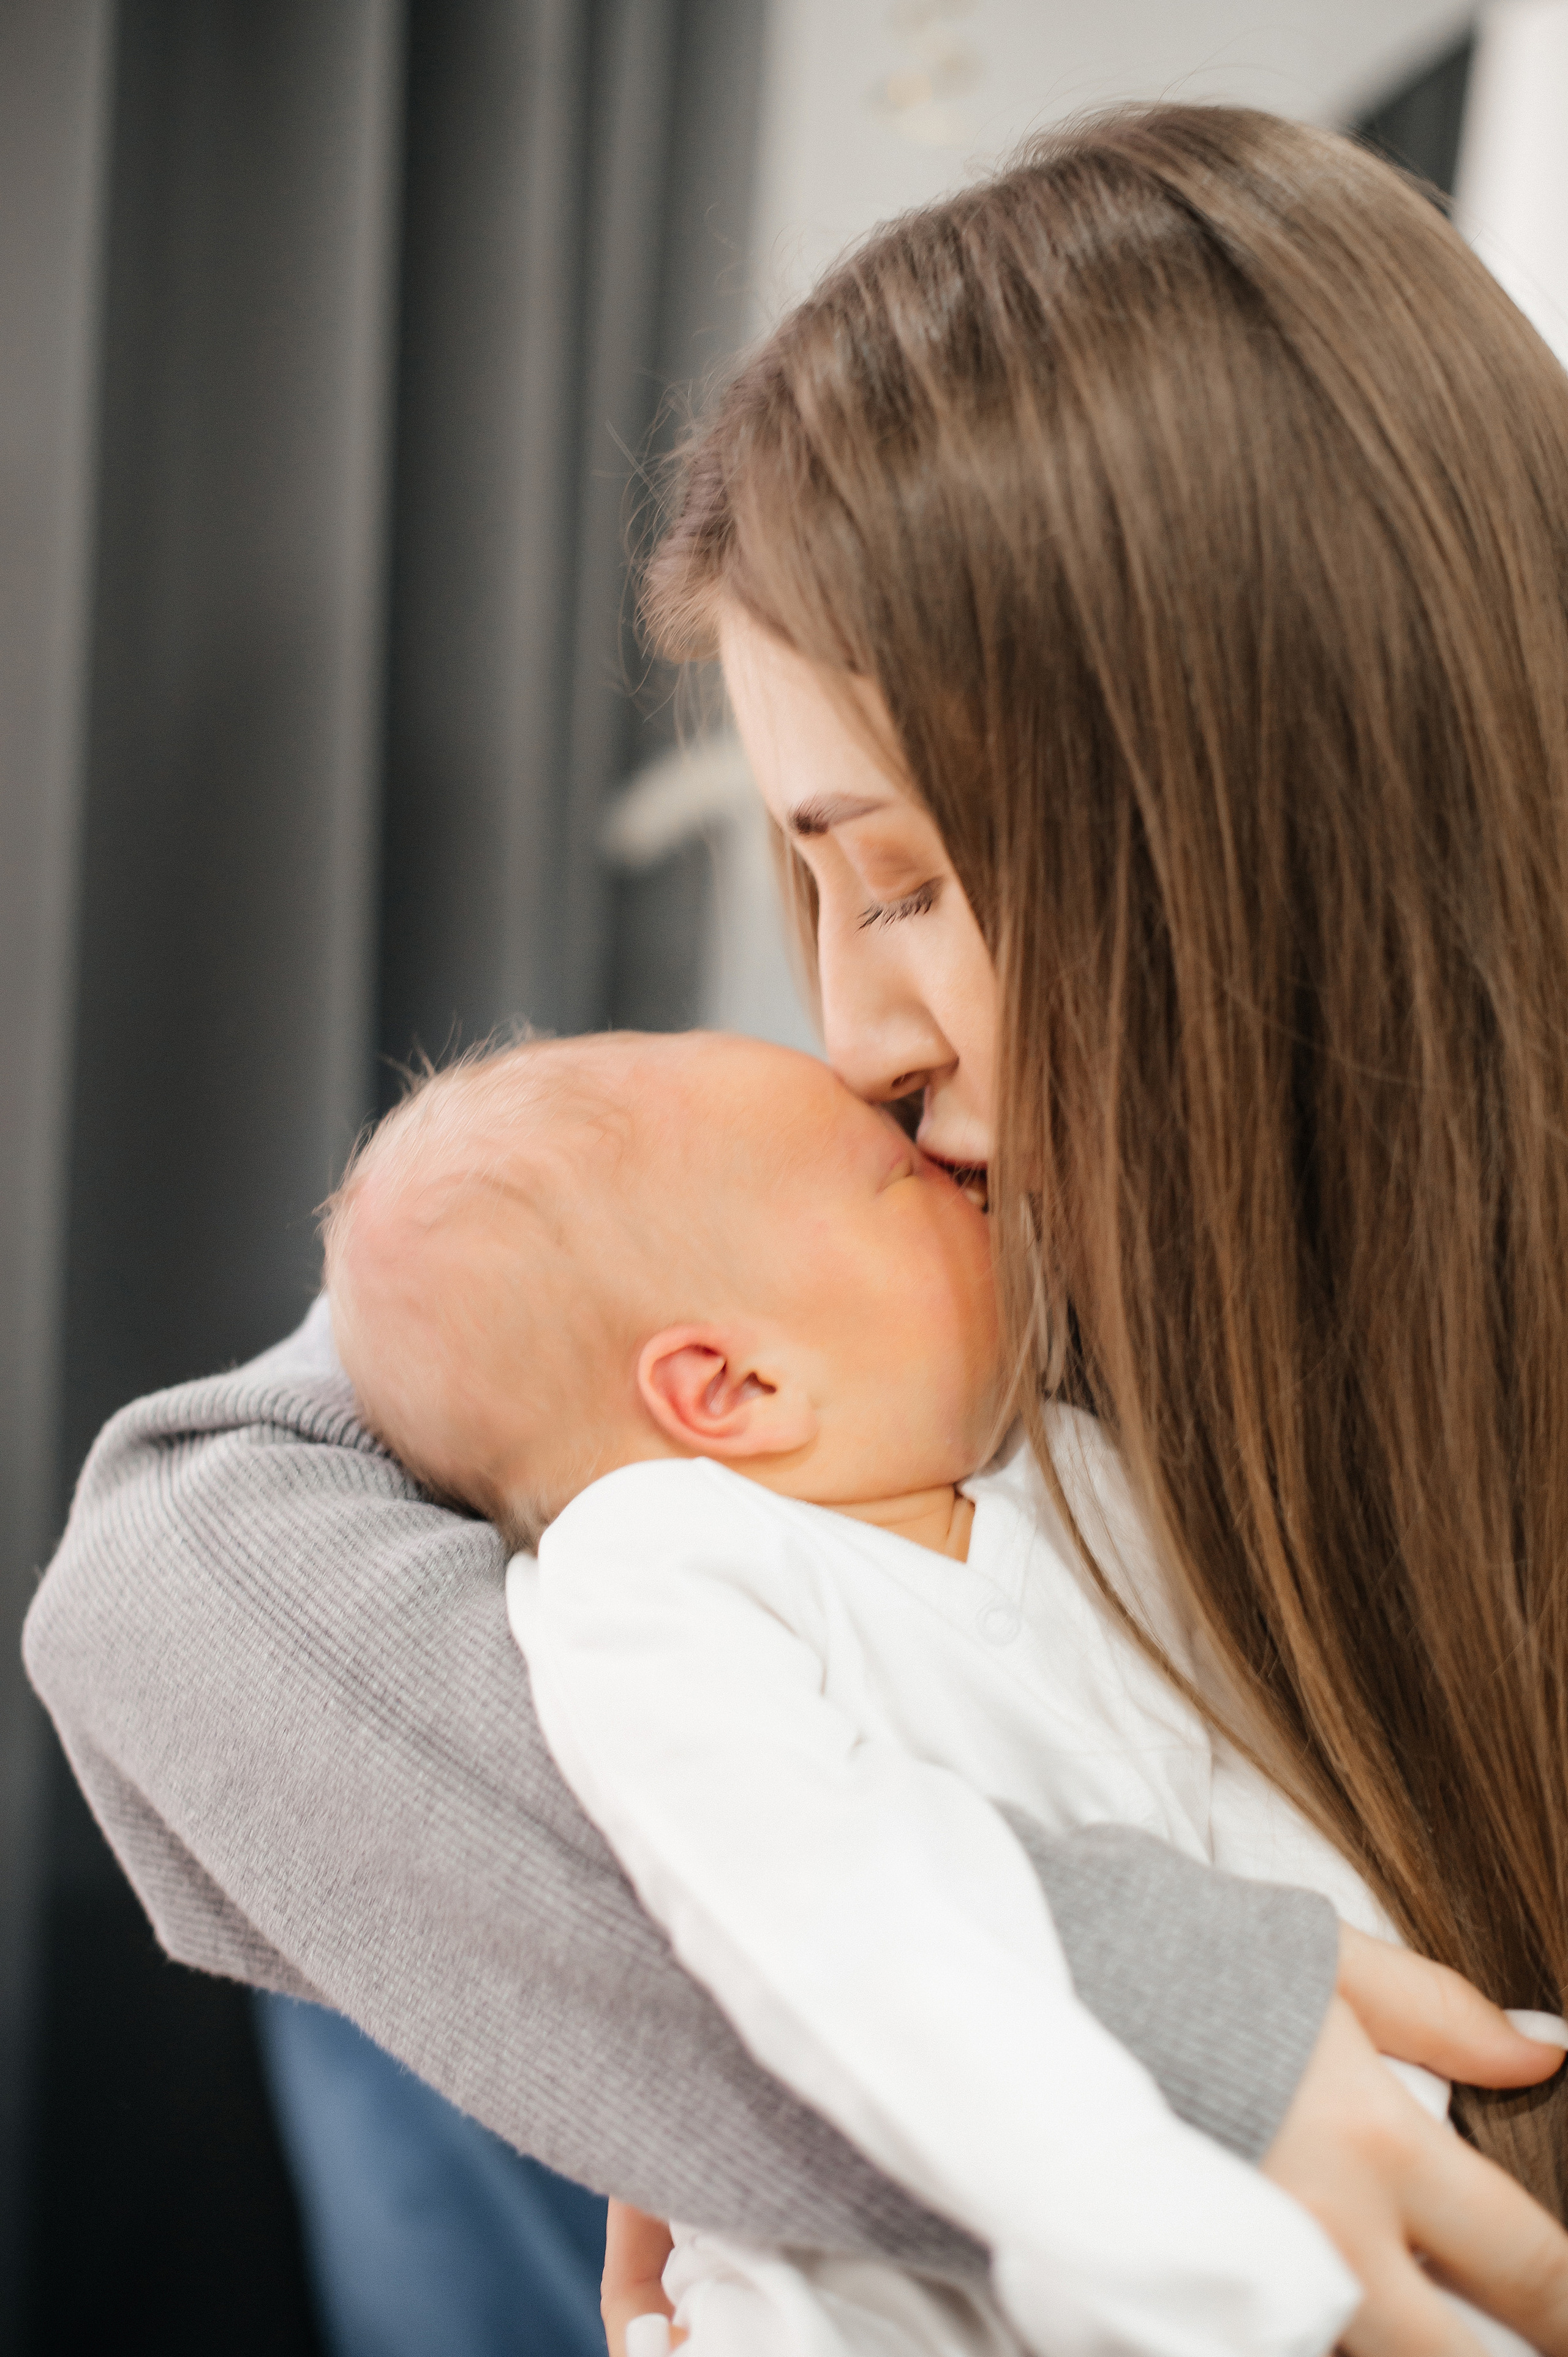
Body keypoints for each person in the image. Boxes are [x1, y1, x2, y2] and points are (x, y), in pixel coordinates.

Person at [21, 98, 1568, 2356]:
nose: (853, 1024)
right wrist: (1105, 2020)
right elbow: (169, 1568)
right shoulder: (955, 1236)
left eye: (913, 880)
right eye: (811, 877)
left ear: (1255, 798)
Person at [320, 1021, 1559, 2357]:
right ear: (732, 1383)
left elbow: (1272, 1818)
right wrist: (1189, 2250)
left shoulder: (1078, 1479)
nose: (961, 1173)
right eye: (896, 1180)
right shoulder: (657, 1568)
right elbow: (828, 1917)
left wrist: (1437, 2089)